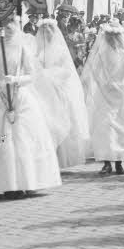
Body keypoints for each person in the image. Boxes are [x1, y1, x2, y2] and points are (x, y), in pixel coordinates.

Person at [0, 18, 62, 198]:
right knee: (2, 139)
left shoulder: (22, 47)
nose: (7, 28)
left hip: (19, 94)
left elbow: (31, 74)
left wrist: (16, 80)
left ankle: (28, 181)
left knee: (22, 138)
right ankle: (8, 184)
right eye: (3, 24)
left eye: (10, 24)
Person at [81, 24, 124, 176]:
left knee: (121, 128)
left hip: (121, 96)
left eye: (114, 37)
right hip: (105, 95)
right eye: (109, 37)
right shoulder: (101, 55)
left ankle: (119, 162)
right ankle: (107, 162)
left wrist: (123, 85)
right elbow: (94, 72)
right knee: (105, 127)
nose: (111, 40)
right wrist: (104, 83)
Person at [32, 20, 91, 169]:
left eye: (48, 32)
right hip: (41, 90)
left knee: (59, 120)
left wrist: (50, 76)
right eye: (43, 32)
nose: (45, 35)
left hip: (57, 89)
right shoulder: (36, 49)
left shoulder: (59, 49)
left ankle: (59, 157)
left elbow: (66, 71)